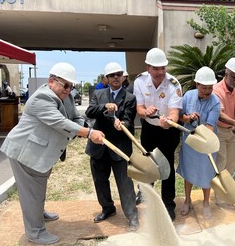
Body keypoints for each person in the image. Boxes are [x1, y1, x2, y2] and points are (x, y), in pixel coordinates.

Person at [0, 62, 104, 245]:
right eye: (65, 85)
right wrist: (88, 133)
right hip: (25, 152)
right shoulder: (42, 97)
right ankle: (36, 232)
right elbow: (60, 122)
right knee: (32, 192)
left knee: (38, 187)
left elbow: (74, 117)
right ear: (51, 81)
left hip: (40, 152)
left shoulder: (66, 95)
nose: (69, 90)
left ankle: (38, 213)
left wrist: (84, 126)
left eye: (72, 86)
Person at [85, 62, 139, 231]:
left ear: (123, 77)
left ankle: (132, 216)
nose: (116, 77)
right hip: (99, 146)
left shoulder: (130, 97)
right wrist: (104, 107)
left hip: (120, 147)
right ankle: (107, 208)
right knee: (100, 180)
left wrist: (122, 123)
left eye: (119, 74)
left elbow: (130, 120)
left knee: (124, 182)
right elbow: (89, 111)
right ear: (106, 79)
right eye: (112, 75)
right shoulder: (98, 94)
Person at [133, 47, 182, 221]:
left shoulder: (173, 84)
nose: (160, 72)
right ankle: (148, 199)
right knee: (148, 164)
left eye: (163, 68)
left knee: (166, 167)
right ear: (148, 68)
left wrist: (168, 121)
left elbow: (175, 113)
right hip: (149, 129)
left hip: (168, 130)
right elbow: (139, 108)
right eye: (156, 68)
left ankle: (168, 205)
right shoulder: (139, 81)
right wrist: (146, 112)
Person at [177, 66, 220, 219]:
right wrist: (189, 118)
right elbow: (180, 117)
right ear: (197, 85)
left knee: (207, 173)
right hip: (189, 143)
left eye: (210, 87)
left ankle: (206, 203)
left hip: (207, 144)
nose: (208, 91)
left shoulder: (215, 102)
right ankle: (187, 200)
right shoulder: (188, 96)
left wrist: (199, 126)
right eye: (204, 88)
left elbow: (209, 127)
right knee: (189, 172)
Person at [212, 57, 235, 211]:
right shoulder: (216, 90)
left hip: (232, 132)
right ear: (226, 72)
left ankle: (228, 194)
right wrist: (234, 123)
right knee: (221, 164)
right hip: (219, 131)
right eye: (233, 76)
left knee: (231, 164)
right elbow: (219, 114)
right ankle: (220, 198)